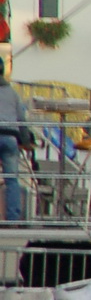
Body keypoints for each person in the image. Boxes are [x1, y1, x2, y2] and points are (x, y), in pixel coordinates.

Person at [0, 70, 29, 221]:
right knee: (12, 180)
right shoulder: (12, 93)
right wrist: (26, 141)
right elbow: (22, 119)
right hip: (10, 137)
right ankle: (12, 218)